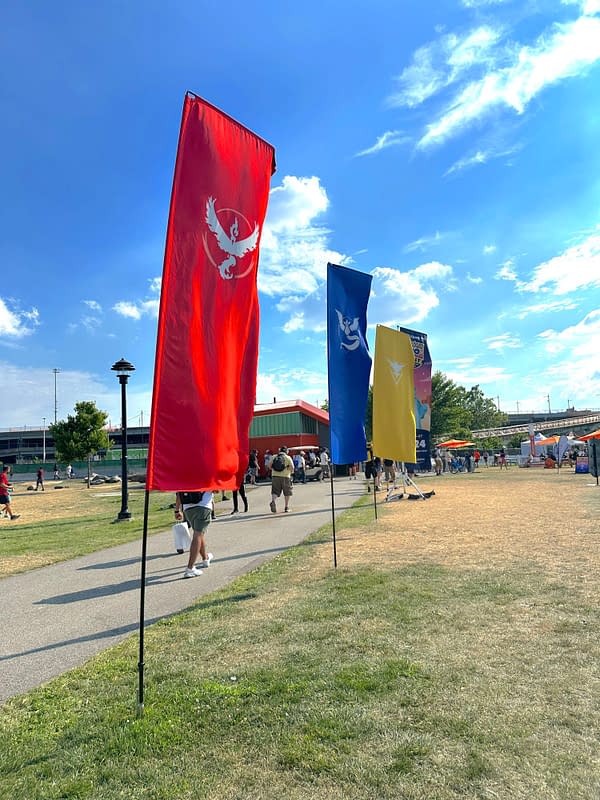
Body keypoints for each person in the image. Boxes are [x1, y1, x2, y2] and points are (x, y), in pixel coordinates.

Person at [174, 490, 214, 578]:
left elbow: (179, 494)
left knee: (198, 533)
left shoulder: (185, 475)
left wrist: (177, 510)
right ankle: (190, 568)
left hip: (188, 509)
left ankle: (205, 558)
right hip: (203, 506)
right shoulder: (207, 475)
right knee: (198, 535)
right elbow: (216, 489)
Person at [270, 445, 294, 513]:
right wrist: (289, 470)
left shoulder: (274, 457)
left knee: (275, 491)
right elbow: (292, 468)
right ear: (286, 451)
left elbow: (269, 466)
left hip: (275, 476)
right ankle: (286, 507)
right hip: (286, 476)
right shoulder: (288, 457)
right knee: (287, 492)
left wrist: (275, 470)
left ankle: (273, 501)